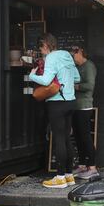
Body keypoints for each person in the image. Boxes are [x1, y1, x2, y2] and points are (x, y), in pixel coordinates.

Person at [29, 33, 80, 189]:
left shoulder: (51, 57)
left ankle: (59, 178)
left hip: (57, 103)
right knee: (66, 138)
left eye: (41, 48)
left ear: (45, 45)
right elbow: (77, 78)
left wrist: (32, 75)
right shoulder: (67, 55)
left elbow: (45, 81)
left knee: (58, 138)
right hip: (70, 102)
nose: (42, 52)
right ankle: (69, 176)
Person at [70, 45, 99, 180]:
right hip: (75, 106)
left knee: (86, 137)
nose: (72, 57)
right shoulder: (76, 67)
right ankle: (82, 166)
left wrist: (75, 86)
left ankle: (92, 168)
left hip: (85, 107)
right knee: (78, 137)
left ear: (81, 52)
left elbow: (90, 86)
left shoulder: (89, 66)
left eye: (74, 54)